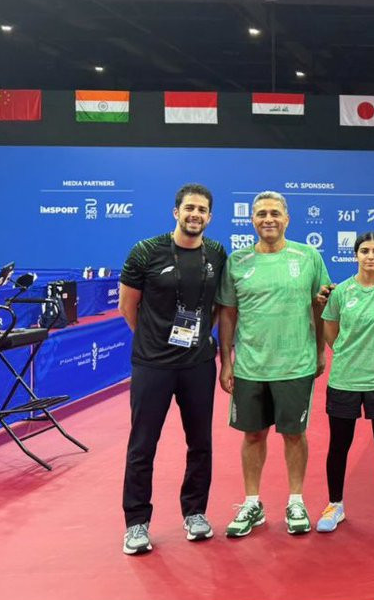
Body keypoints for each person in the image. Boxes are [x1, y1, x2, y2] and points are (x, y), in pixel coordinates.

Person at [118, 183, 227, 556]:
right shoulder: (146, 252)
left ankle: (195, 513)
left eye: (202, 210)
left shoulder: (217, 253)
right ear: (176, 212)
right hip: (153, 366)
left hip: (198, 365)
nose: (195, 214)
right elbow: (127, 306)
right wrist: (153, 340)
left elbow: (216, 306)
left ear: (209, 217)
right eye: (189, 208)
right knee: (143, 444)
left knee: (201, 443)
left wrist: (203, 337)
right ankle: (136, 523)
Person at [217, 191, 332, 537]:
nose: (268, 219)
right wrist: (226, 361)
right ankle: (252, 502)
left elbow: (320, 305)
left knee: (294, 434)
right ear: (252, 220)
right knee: (253, 434)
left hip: (295, 364)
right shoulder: (237, 261)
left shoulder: (308, 256)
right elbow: (228, 313)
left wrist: (320, 351)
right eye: (262, 214)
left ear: (287, 219)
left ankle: (296, 500)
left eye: (275, 213)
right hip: (250, 366)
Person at [318, 232, 374, 534]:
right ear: (355, 255)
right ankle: (335, 505)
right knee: (339, 445)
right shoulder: (341, 291)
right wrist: (347, 352)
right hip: (345, 379)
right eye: (365, 251)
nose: (370, 256)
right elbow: (330, 330)